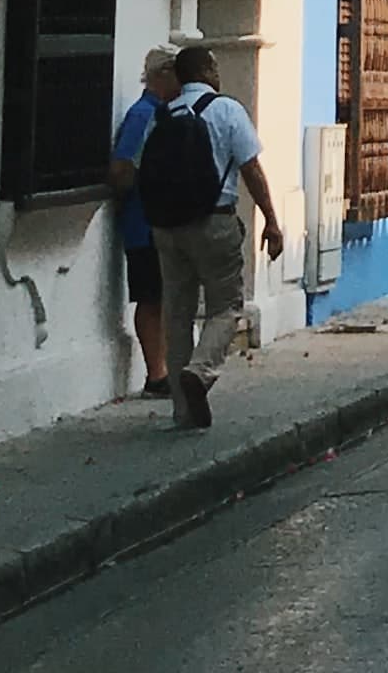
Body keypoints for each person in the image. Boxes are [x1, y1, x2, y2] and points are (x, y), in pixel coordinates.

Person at [118, 45, 282, 430]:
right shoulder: (226, 109)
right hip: (215, 223)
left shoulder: (162, 115)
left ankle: (183, 410)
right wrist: (271, 221)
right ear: (207, 70)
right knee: (227, 304)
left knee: (177, 312)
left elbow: (140, 170)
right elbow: (252, 169)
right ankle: (200, 370)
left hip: (167, 229)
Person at [110, 44, 180, 400]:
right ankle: (157, 373)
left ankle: (164, 369)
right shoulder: (145, 115)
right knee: (151, 297)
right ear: (161, 76)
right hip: (145, 223)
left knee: (163, 296)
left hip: (157, 221)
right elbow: (123, 168)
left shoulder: (164, 114)